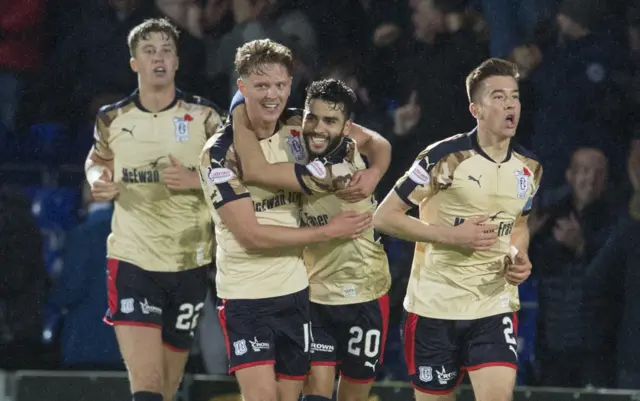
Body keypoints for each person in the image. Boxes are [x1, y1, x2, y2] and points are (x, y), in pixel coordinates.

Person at [198, 39, 387, 401]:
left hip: (296, 294)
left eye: (281, 85)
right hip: (246, 296)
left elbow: (373, 141)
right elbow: (250, 235)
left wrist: (375, 171)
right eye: (261, 85)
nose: (273, 95)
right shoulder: (220, 154)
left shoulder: (298, 128)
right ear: (242, 88)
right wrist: (327, 232)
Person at [373, 58, 542, 401]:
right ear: (475, 109)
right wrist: (451, 235)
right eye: (498, 96)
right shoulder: (443, 158)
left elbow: (518, 224)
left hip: (493, 306)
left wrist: (517, 253)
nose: (510, 104)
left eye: (515, 96)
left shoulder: (530, 168)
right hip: (434, 308)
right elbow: (385, 217)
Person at [84, 18, 223, 401]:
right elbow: (97, 159)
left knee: (165, 387)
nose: (158, 58)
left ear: (177, 61)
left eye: (166, 50)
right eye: (149, 51)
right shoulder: (112, 117)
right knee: (145, 387)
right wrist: (98, 179)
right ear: (134, 63)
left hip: (190, 261)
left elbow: (237, 176)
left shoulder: (206, 117)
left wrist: (198, 182)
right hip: (133, 260)